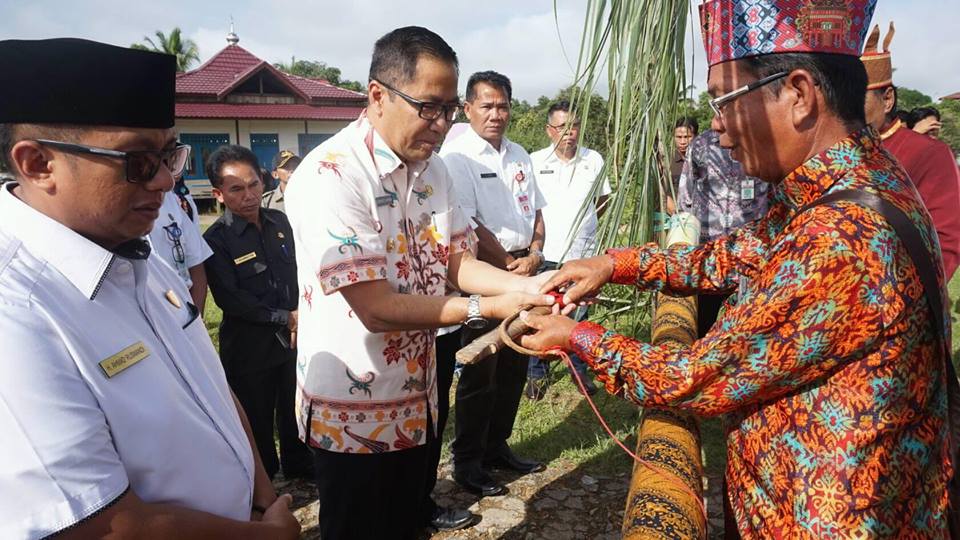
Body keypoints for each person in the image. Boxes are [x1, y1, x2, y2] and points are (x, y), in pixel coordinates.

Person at [523, 0, 954, 536]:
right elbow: (730, 253)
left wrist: (575, 336)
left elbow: (692, 378)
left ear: (798, 95)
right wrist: (615, 264)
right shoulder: (850, 182)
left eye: (723, 103)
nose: (718, 129)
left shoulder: (839, 238)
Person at [0, 38, 298, 539]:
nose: (164, 181)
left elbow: (211, 389)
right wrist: (268, 535)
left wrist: (263, 499)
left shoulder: (136, 249)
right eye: (137, 160)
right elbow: (101, 526)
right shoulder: (17, 308)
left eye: (168, 155)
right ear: (37, 164)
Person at [284, 27, 555, 540]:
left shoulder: (434, 171)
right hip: (353, 412)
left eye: (450, 109)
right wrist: (487, 307)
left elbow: (455, 261)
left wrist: (528, 289)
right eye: (428, 108)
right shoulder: (332, 174)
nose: (441, 124)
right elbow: (377, 308)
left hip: (418, 395)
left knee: (409, 522)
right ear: (377, 95)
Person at [439, 70, 548, 497]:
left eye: (503, 105)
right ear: (468, 108)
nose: (496, 114)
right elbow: (468, 222)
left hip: (525, 267)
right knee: (480, 370)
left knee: (515, 363)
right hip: (484, 273)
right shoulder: (457, 156)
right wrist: (506, 266)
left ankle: (497, 446)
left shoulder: (520, 154)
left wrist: (536, 254)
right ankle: (468, 461)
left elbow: (537, 212)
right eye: (486, 105)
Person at [203, 144, 314, 483]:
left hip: (292, 339)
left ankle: (299, 465)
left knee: (294, 407)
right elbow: (231, 299)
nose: (248, 195)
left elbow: (302, 270)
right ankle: (264, 478)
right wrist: (286, 316)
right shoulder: (217, 239)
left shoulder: (281, 222)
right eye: (236, 189)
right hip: (250, 346)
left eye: (253, 185)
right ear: (219, 194)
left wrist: (301, 313)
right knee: (257, 416)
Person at [525, 100, 610, 400]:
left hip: (582, 253)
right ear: (550, 130)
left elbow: (602, 202)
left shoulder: (594, 160)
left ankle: (579, 370)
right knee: (542, 312)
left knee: (580, 315)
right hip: (547, 253)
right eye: (562, 127)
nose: (569, 133)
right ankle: (536, 373)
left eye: (574, 126)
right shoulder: (534, 161)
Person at [862, 22, 960, 279]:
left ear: (887, 99)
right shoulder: (842, 151)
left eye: (857, 99)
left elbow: (945, 241)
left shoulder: (929, 153)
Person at [677, 129, 769, 337]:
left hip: (749, 260)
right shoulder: (701, 145)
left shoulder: (763, 141)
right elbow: (686, 197)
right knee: (702, 326)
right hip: (709, 257)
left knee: (747, 332)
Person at [148, 189, 213, 311]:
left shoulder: (169, 200)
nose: (169, 181)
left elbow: (196, 264)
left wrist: (195, 321)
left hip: (183, 309)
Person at [667, 116, 698, 213]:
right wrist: (679, 216)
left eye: (687, 137)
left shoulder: (703, 160)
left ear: (696, 136)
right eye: (679, 137)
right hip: (675, 217)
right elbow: (662, 193)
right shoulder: (666, 161)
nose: (683, 142)